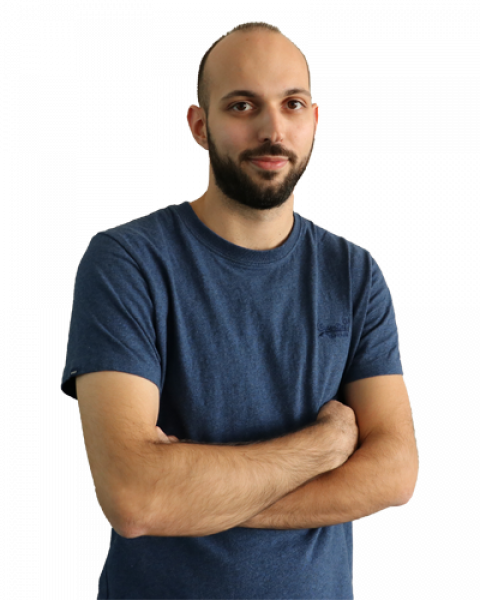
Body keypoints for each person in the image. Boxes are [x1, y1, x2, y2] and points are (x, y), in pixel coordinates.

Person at [61, 21, 419, 600]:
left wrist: (195, 499)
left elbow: (396, 472)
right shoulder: (127, 261)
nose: (271, 130)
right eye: (242, 106)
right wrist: (324, 448)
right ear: (199, 126)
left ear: (314, 120)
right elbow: (135, 496)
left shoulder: (354, 273)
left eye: (291, 104)